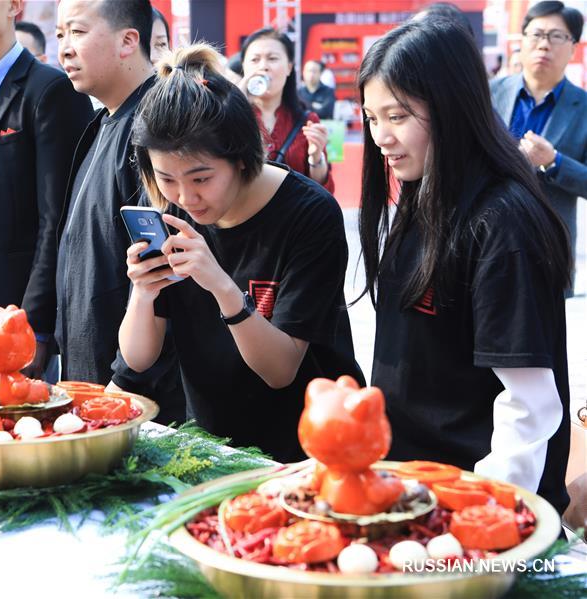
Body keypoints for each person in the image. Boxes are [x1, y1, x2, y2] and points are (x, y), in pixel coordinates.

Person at [358, 18, 571, 514]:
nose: (381, 137)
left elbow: (530, 405)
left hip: (469, 504)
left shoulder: (502, 222)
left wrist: (482, 518)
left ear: (451, 107)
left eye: (397, 115)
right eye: (371, 117)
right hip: (409, 487)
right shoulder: (423, 191)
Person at [119, 44, 362, 460]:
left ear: (242, 158)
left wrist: (222, 287)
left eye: (201, 178)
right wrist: (143, 293)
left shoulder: (310, 214)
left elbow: (281, 371)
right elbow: (138, 357)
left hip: (308, 448)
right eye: (166, 179)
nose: (185, 196)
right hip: (210, 444)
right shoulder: (169, 206)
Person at [0, 0, 93, 378]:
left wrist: (37, 324)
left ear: (14, 5)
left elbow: (55, 220)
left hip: (17, 310)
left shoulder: (50, 90)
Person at [56, 0, 185, 422]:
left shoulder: (156, 126)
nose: (65, 49)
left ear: (129, 40)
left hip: (134, 401)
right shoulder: (103, 123)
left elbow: (163, 273)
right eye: (60, 36)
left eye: (76, 32)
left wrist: (125, 382)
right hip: (94, 383)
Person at [491, 0, 586, 297]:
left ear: (573, 47)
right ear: (522, 41)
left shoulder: (583, 107)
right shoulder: (489, 93)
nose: (544, 45)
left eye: (556, 36)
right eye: (536, 34)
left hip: (548, 253)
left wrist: (554, 161)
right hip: (486, 244)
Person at [239, 28, 334, 192]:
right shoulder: (229, 116)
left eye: (272, 58)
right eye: (255, 60)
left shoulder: (307, 120)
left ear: (289, 67)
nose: (263, 66)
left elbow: (323, 192)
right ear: (244, 67)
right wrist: (235, 103)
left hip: (295, 216)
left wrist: (316, 157)